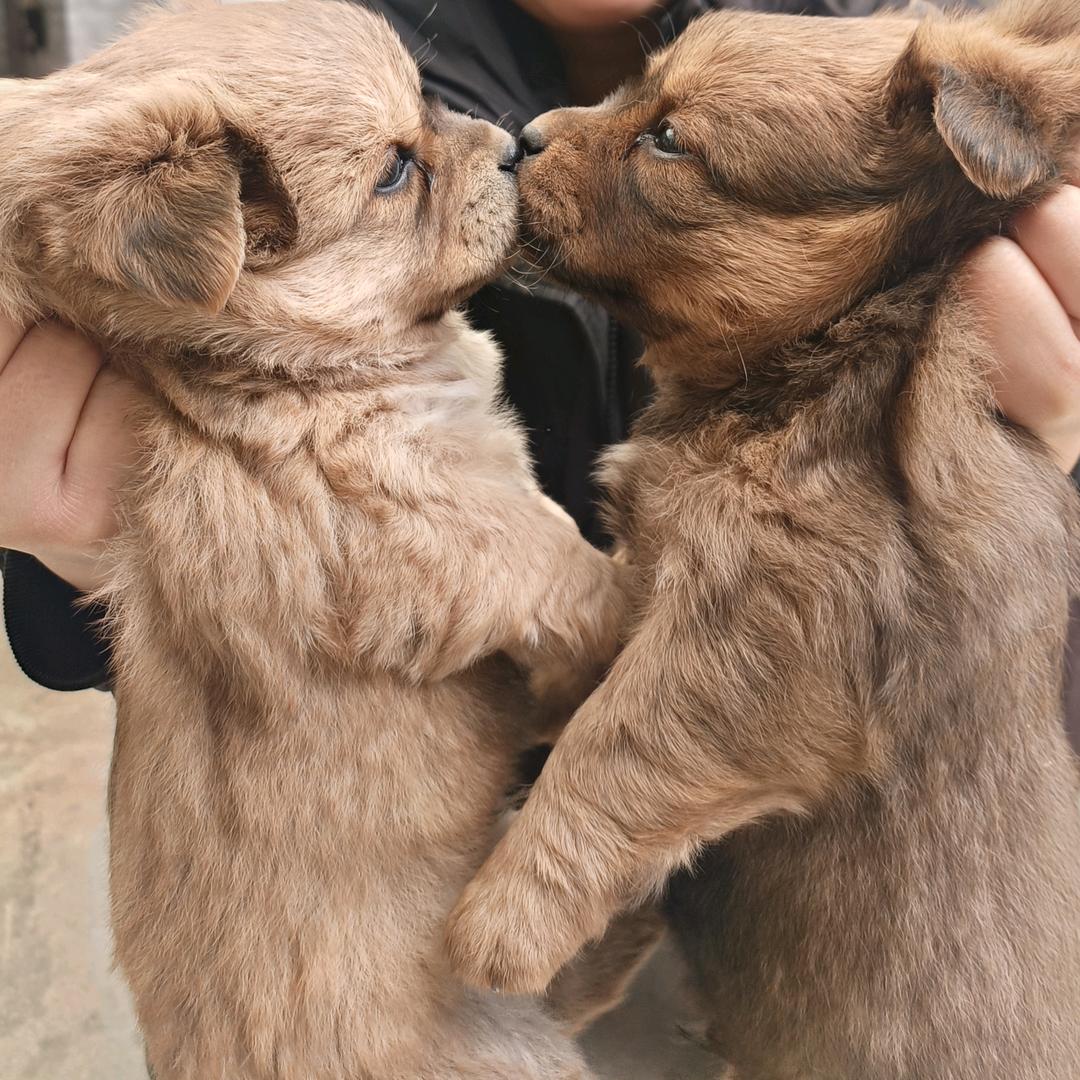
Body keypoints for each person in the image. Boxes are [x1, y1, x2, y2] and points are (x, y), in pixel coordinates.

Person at [3, 0, 1080, 744]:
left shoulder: (936, 83)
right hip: (442, 858)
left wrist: (1034, 485)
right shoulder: (257, 76)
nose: (541, 140)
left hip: (852, 861)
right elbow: (89, 629)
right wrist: (106, 569)